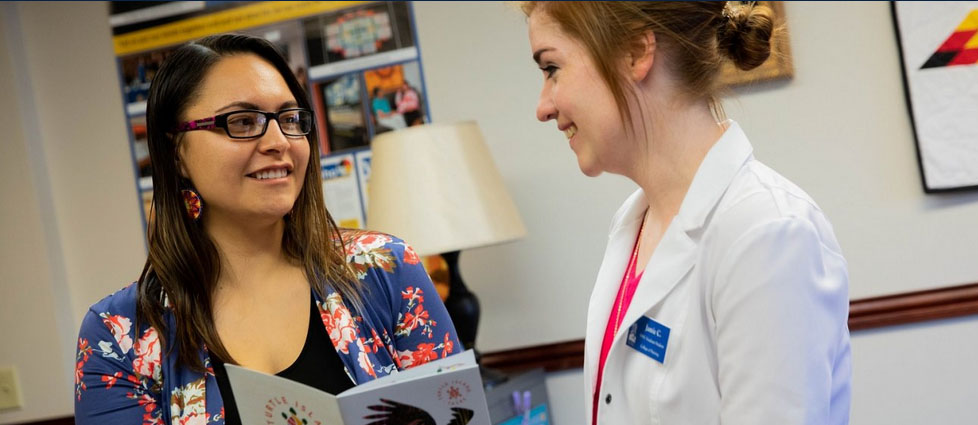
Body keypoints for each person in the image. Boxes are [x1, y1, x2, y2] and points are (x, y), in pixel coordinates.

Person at [74, 34, 460, 425]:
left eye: (290, 119)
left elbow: (453, 412)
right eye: (242, 122)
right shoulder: (119, 335)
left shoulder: (384, 269)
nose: (279, 142)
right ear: (177, 153)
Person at [524, 2, 851, 424]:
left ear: (635, 53)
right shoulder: (634, 222)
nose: (543, 107)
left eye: (552, 69)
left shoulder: (767, 234)